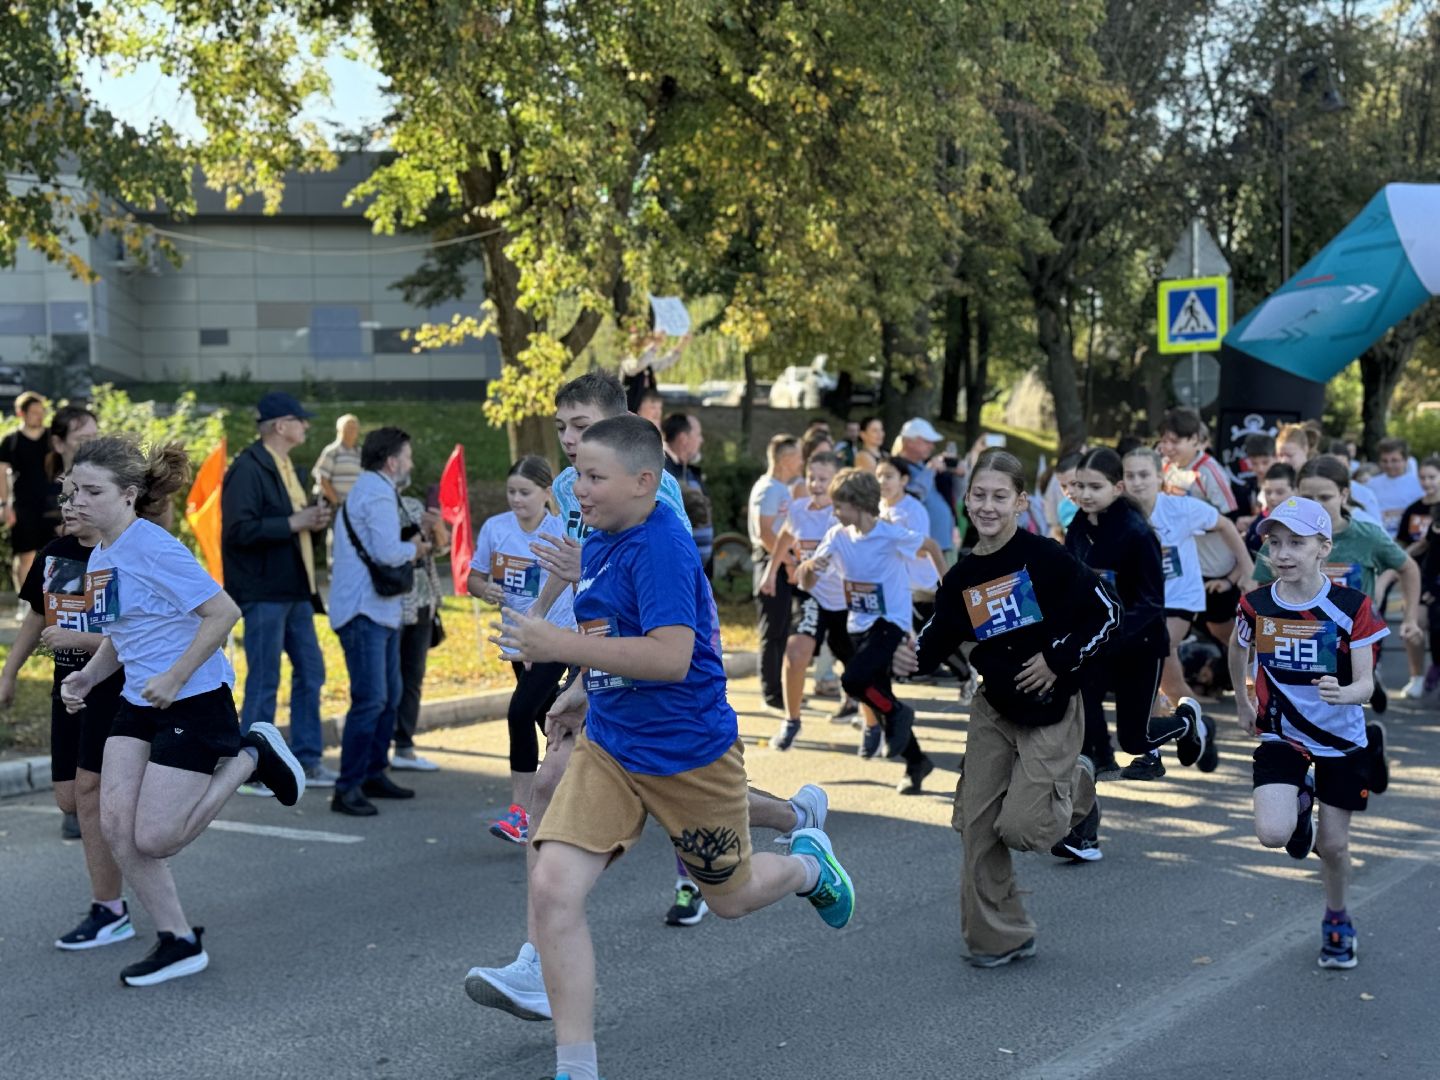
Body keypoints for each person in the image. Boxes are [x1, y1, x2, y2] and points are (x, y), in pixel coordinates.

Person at [489, 414, 855, 1080]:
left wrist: (557, 644)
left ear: (643, 482)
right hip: (611, 749)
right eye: (577, 476)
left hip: (689, 757)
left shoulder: (662, 545)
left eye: (594, 477)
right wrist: (582, 688)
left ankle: (808, 867)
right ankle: (576, 1068)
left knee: (732, 898)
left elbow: (670, 657)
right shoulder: (602, 538)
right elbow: (609, 630)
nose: (579, 489)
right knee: (553, 886)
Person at [59, 436, 305, 986]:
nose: (79, 501)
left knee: (157, 838)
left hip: (193, 699)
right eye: (75, 490)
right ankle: (178, 940)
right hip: (139, 700)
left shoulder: (153, 547)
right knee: (116, 826)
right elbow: (124, 633)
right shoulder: (102, 554)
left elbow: (223, 612)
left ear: (128, 495)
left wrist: (174, 675)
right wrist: (89, 675)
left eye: (93, 491)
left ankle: (251, 756)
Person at [895, 449, 1118, 964]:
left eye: (1000, 496)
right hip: (993, 709)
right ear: (967, 500)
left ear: (1020, 502)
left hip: (1050, 707)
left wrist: (1057, 660)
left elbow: (1108, 611)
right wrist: (908, 657)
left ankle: (1077, 785)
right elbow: (937, 635)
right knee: (977, 827)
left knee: (1021, 827)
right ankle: (999, 936)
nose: (987, 506)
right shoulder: (963, 576)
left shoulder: (1045, 557)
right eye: (979, 495)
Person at [1227, 496, 1389, 970]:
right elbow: (1237, 650)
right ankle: (1300, 807)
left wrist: (1347, 691)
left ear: (1323, 547)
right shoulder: (1255, 604)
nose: (1283, 553)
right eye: (1275, 543)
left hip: (1341, 738)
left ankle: (1337, 916)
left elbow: (1366, 684)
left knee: (1333, 847)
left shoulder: (1351, 606)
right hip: (1282, 733)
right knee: (1272, 834)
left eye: (1296, 543)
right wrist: (1242, 700)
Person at [0, 471, 132, 946]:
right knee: (70, 800)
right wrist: (9, 673)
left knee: (91, 794)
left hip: (116, 689)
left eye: (81, 496)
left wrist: (80, 638)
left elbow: (137, 637)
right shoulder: (55, 554)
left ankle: (109, 908)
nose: (69, 506)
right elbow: (37, 616)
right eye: (66, 497)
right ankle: (134, 821)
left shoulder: (125, 555)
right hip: (68, 687)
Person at [1065, 448, 1217, 782]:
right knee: (1083, 694)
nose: (1085, 494)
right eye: (1080, 486)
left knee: (1135, 739)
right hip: (1098, 640)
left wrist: (1113, 634)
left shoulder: (1137, 532)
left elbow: (1151, 603)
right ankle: (1099, 761)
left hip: (1140, 644)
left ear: (1117, 488)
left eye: (1095, 487)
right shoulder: (1078, 525)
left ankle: (1186, 722)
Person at [798, 468, 944, 792]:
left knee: (854, 680)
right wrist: (809, 567)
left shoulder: (890, 534)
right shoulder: (837, 536)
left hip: (890, 622)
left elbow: (932, 547)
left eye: (839, 506)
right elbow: (806, 582)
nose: (835, 512)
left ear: (859, 504)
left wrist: (948, 593)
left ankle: (898, 713)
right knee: (878, 694)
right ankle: (916, 761)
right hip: (858, 624)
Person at [1255, 455, 1423, 727]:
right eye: (1308, 497)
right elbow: (1260, 586)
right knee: (1305, 704)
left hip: (1354, 636)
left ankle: (1360, 713)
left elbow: (1408, 568)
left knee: (1339, 701)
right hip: (1300, 634)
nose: (1316, 505)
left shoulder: (1367, 536)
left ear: (1344, 495)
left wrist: (1410, 618)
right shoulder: (1282, 538)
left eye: (1325, 497)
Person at [222, 391, 334, 795]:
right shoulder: (247, 468)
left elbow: (291, 523)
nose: (306, 426)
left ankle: (307, 759)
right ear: (281, 426)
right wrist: (293, 522)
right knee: (265, 679)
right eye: (300, 420)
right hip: (263, 592)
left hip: (295, 590)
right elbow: (238, 531)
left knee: (311, 671)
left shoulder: (286, 466)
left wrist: (311, 521)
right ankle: (251, 769)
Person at [1121, 446, 1253, 779]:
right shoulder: (1118, 515)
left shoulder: (1179, 508)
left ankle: (1150, 753)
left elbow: (1225, 524)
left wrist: (1247, 568)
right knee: (1168, 682)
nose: (1137, 482)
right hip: (1141, 605)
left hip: (1180, 600)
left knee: (1150, 654)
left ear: (1160, 477)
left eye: (1144, 475)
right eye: (1129, 475)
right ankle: (1199, 727)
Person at [329, 427, 430, 816]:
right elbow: (388, 553)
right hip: (363, 611)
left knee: (387, 696)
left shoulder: (374, 489)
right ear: (392, 462)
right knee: (371, 699)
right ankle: (347, 787)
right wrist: (416, 548)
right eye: (407, 456)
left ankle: (373, 773)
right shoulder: (376, 492)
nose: (411, 463)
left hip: (377, 610)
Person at [469, 455, 569, 843]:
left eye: (525, 492)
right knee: (548, 714)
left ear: (547, 493)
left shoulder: (560, 529)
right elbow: (474, 578)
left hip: (556, 634)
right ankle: (587, 775)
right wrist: (486, 589)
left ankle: (521, 812)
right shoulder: (496, 528)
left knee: (520, 712)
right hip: (514, 639)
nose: (516, 499)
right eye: (511, 491)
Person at [758, 451, 852, 747]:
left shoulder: (844, 513)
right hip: (810, 594)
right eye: (812, 477)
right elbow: (785, 536)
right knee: (795, 654)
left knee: (856, 664)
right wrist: (771, 572)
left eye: (824, 479)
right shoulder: (798, 508)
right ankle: (791, 720)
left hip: (844, 599)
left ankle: (872, 720)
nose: (816, 484)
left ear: (837, 481)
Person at [1158, 407, 1245, 648]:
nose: (1168, 447)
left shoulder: (1208, 470)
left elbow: (1230, 517)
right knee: (1171, 630)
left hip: (1213, 565)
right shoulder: (1165, 467)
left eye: (1175, 441)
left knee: (1219, 626)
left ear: (1195, 440)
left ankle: (1250, 665)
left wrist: (1238, 571)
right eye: (1164, 441)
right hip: (1181, 564)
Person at [393, 481, 449, 773]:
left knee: (412, 675)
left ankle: (404, 745)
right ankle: (380, 745)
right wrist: (414, 545)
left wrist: (436, 526)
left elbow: (442, 547)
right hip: (391, 602)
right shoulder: (374, 510)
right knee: (388, 678)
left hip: (423, 601)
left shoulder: (413, 506)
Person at [749, 434, 803, 711]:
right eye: (798, 455)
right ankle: (771, 693)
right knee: (772, 632)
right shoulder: (769, 489)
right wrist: (788, 563)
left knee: (782, 630)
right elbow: (765, 532)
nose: (802, 461)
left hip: (781, 563)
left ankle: (781, 690)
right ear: (785, 459)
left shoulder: (781, 487)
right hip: (771, 562)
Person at [0, 391, 52, 618]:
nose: (39, 416)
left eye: (42, 412)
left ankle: (53, 601)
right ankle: (26, 603)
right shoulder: (11, 441)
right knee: (25, 555)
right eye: (34, 412)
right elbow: (1, 474)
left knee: (53, 553)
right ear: (21, 413)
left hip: (52, 504)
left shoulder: (53, 438)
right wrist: (4, 505)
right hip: (23, 505)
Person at [1397, 455, 1440, 698]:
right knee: (1415, 622)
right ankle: (1416, 677)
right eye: (1422, 477)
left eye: (1432, 477)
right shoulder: (1414, 509)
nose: (1427, 482)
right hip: (1419, 576)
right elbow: (1405, 544)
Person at [895, 417, 955, 557]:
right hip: (922, 549)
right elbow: (915, 496)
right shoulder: (897, 468)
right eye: (927, 442)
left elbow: (955, 496)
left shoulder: (923, 465)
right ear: (909, 442)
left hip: (941, 543)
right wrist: (930, 469)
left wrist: (958, 473)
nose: (932, 446)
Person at [661, 412, 712, 570]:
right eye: (698, 435)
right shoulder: (663, 472)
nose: (701, 440)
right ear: (683, 438)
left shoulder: (687, 471)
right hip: (676, 568)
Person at [1368, 437, 1424, 540]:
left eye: (1394, 460)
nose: (1389, 465)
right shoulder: (1371, 484)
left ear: (1405, 460)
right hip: (1379, 538)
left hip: (1409, 539)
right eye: (1384, 461)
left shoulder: (1419, 483)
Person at [311, 413, 362, 509]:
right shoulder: (332, 451)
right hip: (333, 507)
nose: (352, 430)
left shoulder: (360, 452)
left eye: (355, 428)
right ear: (340, 430)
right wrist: (336, 503)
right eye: (349, 427)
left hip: (354, 506)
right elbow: (322, 478)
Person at [1245, 463, 1297, 555]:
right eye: (1268, 492)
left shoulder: (1303, 526)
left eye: (1280, 492)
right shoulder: (1260, 519)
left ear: (1295, 491)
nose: (1272, 497)